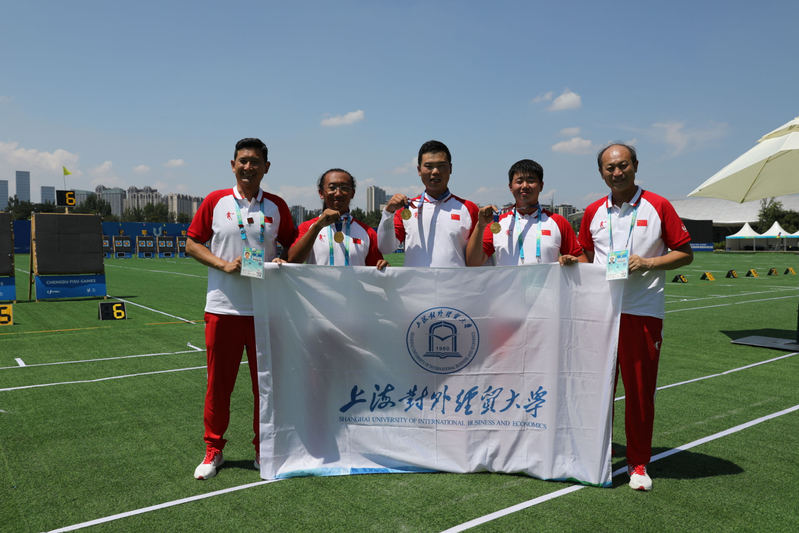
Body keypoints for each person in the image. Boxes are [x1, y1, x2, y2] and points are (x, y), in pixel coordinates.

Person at [579, 143, 693, 491]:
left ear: (635, 166)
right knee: (596, 388)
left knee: (639, 392)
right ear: (601, 173)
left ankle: (638, 462)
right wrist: (573, 262)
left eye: (623, 165)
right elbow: (585, 256)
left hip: (641, 312)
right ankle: (594, 453)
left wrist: (648, 262)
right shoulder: (593, 210)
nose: (617, 173)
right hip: (599, 313)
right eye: (610, 168)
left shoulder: (658, 205)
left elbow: (684, 253)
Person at [186, 137, 297, 480]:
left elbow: (293, 246)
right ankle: (213, 449)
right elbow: (191, 243)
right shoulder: (215, 201)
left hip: (266, 309)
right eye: (243, 161)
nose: (248, 167)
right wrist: (223, 265)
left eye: (255, 161)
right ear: (233, 165)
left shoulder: (277, 205)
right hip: (223, 309)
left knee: (265, 387)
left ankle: (264, 449)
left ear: (266, 167)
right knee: (219, 386)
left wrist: (284, 258)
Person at [465, 158, 585, 266]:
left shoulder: (558, 222)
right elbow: (473, 262)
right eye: (519, 181)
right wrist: (480, 226)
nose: (525, 186)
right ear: (510, 187)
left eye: (531, 181)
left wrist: (570, 261)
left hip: (547, 285)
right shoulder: (497, 223)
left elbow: (582, 260)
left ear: (541, 186)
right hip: (507, 285)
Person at [377, 140, 479, 266]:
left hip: (455, 280)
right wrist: (388, 212)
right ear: (419, 170)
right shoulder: (406, 209)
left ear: (450, 168)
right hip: (415, 280)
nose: (435, 171)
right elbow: (386, 248)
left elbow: (480, 259)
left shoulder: (469, 209)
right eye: (429, 166)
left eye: (441, 165)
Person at [288, 168, 388, 269]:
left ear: (352, 193)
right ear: (321, 193)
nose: (338, 193)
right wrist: (317, 226)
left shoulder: (368, 232)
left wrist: (384, 267)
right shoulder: (307, 227)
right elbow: (292, 261)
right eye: (332, 188)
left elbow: (376, 270)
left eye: (344, 188)